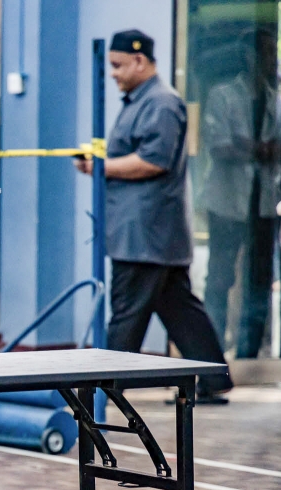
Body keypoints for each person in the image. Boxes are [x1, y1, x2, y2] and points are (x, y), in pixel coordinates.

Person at [75, 29, 233, 403]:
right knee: (180, 309)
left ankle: (104, 392)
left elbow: (152, 161)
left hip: (145, 236)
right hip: (149, 233)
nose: (112, 73)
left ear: (140, 61)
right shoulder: (139, 100)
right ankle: (214, 379)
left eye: (117, 66)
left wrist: (102, 167)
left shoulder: (161, 103)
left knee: (126, 314)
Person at [201, 28, 281, 358]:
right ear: (249, 56)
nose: (271, 59)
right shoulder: (223, 96)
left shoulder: (275, 101)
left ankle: (249, 354)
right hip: (226, 204)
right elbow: (219, 146)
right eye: (265, 52)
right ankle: (211, 353)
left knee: (260, 280)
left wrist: (255, 148)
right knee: (220, 279)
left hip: (262, 204)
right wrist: (259, 149)